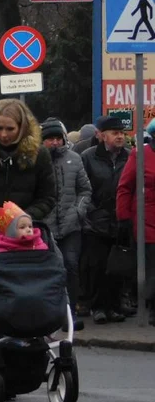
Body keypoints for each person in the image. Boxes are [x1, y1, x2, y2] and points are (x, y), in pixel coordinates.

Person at [41, 117, 91, 331]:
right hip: (46, 226)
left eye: (57, 139)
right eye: (49, 139)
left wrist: (79, 211)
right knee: (51, 269)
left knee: (71, 265)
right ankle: (52, 313)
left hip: (71, 225)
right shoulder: (36, 161)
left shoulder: (74, 159)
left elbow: (85, 189)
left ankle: (70, 313)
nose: (54, 143)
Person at [80, 115, 130, 324]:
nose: (119, 137)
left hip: (120, 219)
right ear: (101, 135)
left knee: (118, 265)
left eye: (121, 133)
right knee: (98, 266)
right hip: (96, 221)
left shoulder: (129, 157)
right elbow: (82, 188)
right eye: (114, 133)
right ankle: (98, 307)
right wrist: (92, 212)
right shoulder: (88, 157)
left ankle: (114, 305)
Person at [116, 119, 155, 327]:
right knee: (152, 263)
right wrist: (123, 217)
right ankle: (152, 308)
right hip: (146, 218)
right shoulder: (140, 155)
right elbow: (125, 187)